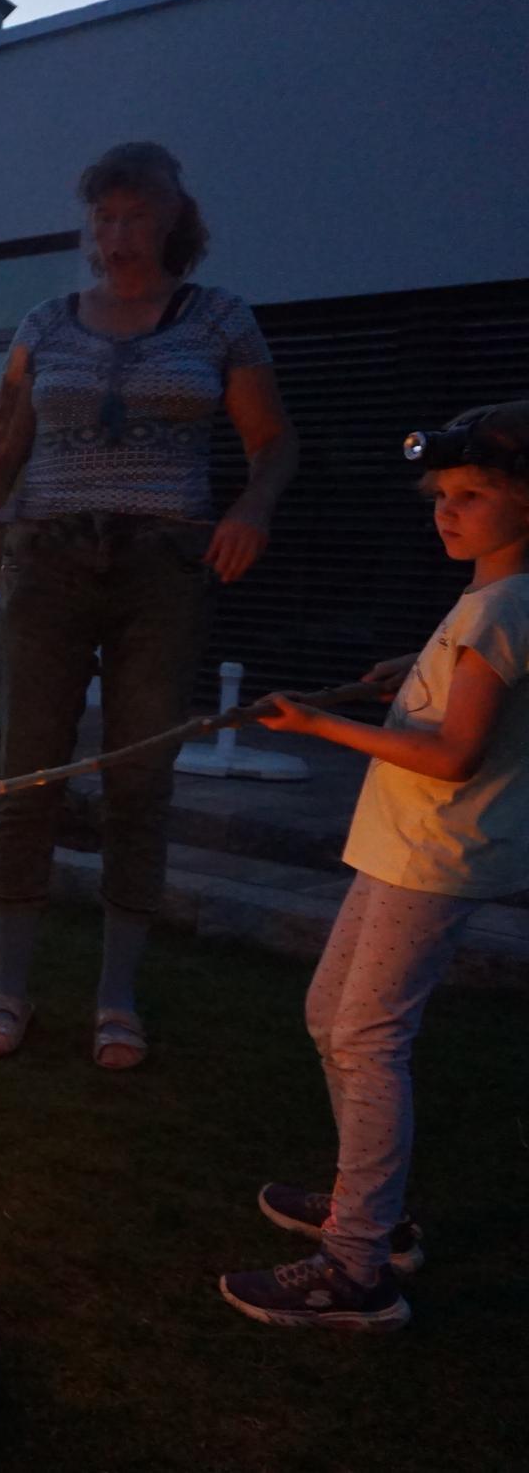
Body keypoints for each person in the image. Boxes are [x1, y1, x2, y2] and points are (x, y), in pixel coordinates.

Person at [0, 141, 297, 1068]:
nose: (118, 234)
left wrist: (250, 509)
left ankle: (116, 1000)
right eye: (104, 218)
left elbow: (273, 442)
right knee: (28, 771)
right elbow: (5, 438)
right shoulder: (46, 323)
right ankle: (10, 986)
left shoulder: (219, 320)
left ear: (175, 221)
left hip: (161, 566)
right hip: (48, 560)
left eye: (137, 215)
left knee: (139, 776)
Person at [218, 403, 529, 1331]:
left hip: (431, 856)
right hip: (403, 849)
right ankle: (370, 1210)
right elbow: (463, 692)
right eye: (441, 495)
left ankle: (358, 1270)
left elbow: (452, 756)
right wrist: (414, 669)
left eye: (473, 496)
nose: (448, 511)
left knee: (367, 1040)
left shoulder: (506, 607)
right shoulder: (490, 597)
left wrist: (318, 725)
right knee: (333, 1017)